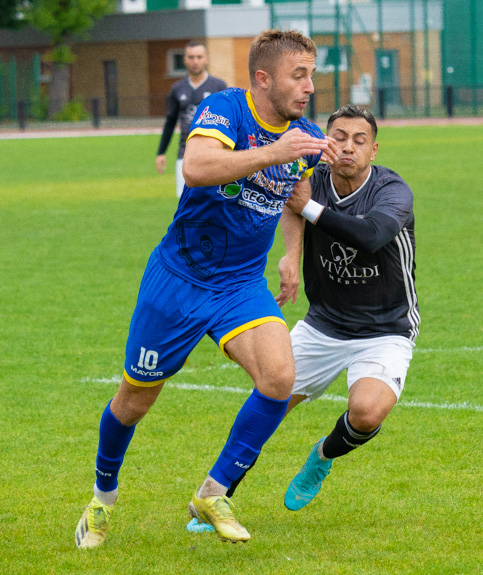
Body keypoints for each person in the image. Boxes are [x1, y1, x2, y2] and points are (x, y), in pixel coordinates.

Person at [74, 29, 338, 549]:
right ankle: (103, 497)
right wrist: (273, 152)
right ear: (263, 78)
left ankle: (212, 492)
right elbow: (195, 168)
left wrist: (291, 254)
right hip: (178, 280)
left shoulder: (301, 135)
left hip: (239, 284)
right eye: (298, 75)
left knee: (279, 376)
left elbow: (296, 193)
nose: (309, 86)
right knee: (134, 400)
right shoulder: (225, 107)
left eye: (312, 75)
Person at [186, 105, 419, 533]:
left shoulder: (392, 190)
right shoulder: (310, 180)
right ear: (326, 141)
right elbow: (292, 208)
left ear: (374, 149)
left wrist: (310, 208)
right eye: (339, 137)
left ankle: (323, 457)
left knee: (367, 413)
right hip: (323, 323)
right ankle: (216, 497)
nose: (348, 147)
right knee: (269, 403)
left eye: (359, 140)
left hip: (386, 327)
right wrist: (291, 257)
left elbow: (370, 236)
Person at [156, 41, 228, 198]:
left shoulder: (218, 86)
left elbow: (230, 121)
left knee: (214, 202)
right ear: (185, 60)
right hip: (185, 154)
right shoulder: (177, 88)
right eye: (191, 57)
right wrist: (161, 152)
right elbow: (170, 121)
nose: (196, 61)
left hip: (214, 154)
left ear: (206, 59)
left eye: (199, 57)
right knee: (185, 204)